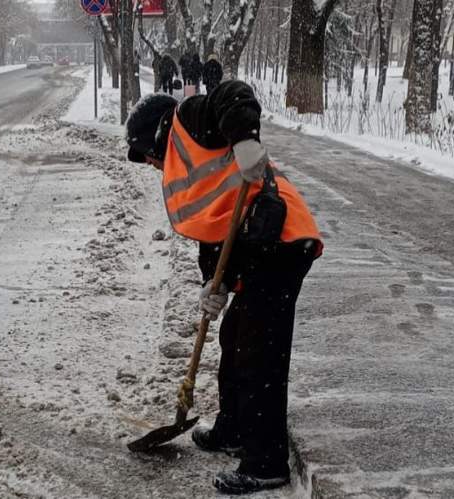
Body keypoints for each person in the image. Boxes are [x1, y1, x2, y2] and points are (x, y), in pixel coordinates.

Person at [124, 82, 322, 495]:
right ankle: (233, 430)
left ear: (154, 137)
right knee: (234, 338)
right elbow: (213, 231)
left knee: (259, 356)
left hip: (282, 240)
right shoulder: (184, 160)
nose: (149, 164)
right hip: (258, 247)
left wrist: (246, 142)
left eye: (146, 155)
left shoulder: (192, 121)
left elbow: (234, 93)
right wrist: (213, 283)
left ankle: (265, 462)